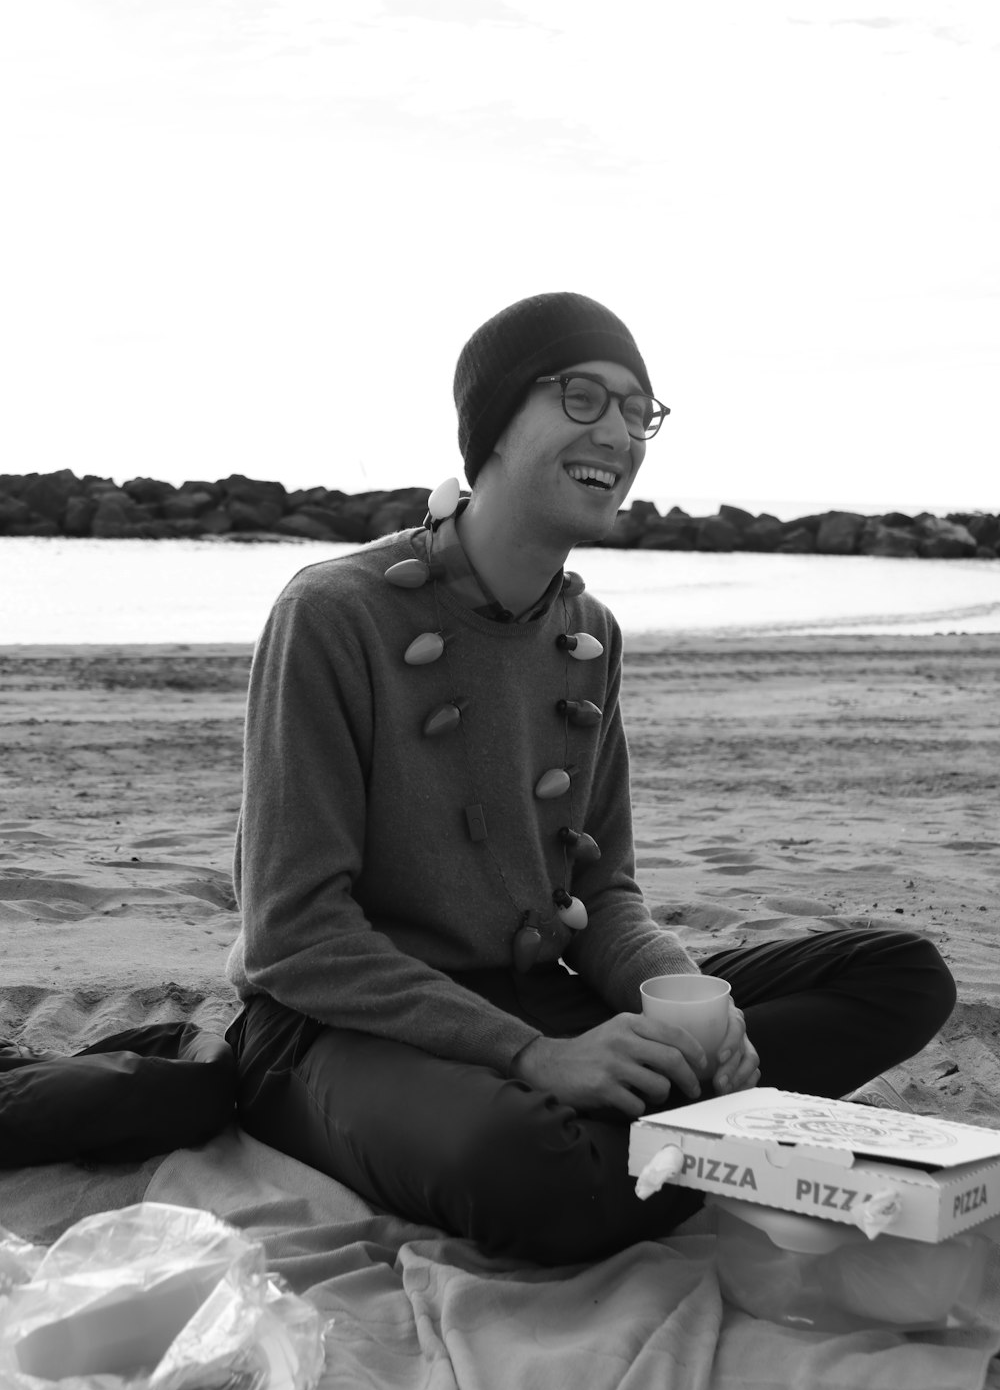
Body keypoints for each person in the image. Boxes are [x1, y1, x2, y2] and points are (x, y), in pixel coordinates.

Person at [224, 292, 956, 1265]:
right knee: (527, 1171)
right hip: (338, 1025)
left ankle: (674, 1120)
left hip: (538, 993)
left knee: (902, 974)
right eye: (581, 397)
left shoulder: (587, 635)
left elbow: (600, 889)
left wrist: (691, 1006)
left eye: (636, 410)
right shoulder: (333, 613)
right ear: (489, 424)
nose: (616, 431)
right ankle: (688, 1137)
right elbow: (293, 931)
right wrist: (536, 1057)